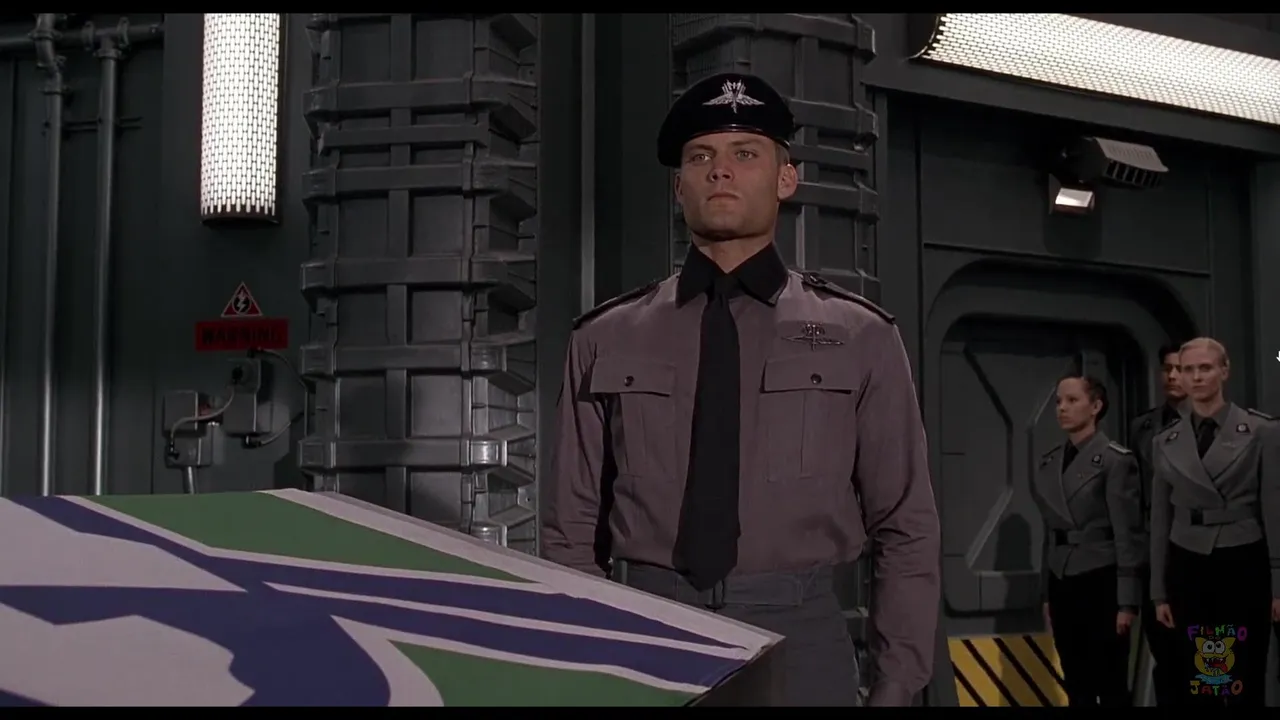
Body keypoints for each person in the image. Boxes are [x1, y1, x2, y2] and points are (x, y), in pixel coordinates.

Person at [539, 72, 941, 707]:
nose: (720, 170)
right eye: (700, 157)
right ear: (679, 187)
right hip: (647, 628)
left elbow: (906, 523)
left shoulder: (861, 336)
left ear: (786, 179)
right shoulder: (605, 337)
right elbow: (570, 527)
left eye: (745, 153)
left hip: (800, 636)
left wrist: (896, 685)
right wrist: (591, 659)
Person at [1149, 337, 1280, 707]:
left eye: (1205, 368)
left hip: (1243, 559)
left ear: (1224, 371)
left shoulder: (1261, 431)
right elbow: (1160, 519)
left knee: (1244, 677)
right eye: (1187, 369)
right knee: (1203, 679)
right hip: (1188, 562)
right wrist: (1159, 591)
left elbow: (1274, 508)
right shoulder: (1165, 442)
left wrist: (1279, 583)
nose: (1195, 377)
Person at [1033, 375, 1143, 706]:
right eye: (1058, 401)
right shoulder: (1050, 461)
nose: (1062, 408)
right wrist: (1046, 592)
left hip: (1101, 578)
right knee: (1076, 682)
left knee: (1111, 685)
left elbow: (1127, 535)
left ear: (1095, 407)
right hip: (1063, 579)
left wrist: (1127, 602)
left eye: (1072, 400)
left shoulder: (1115, 460)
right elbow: (1050, 533)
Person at [1127, 343, 1187, 706]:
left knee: (1212, 659)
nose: (1173, 376)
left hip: (1204, 552)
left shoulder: (1221, 424)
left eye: (1181, 368)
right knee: (1166, 659)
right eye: (1167, 368)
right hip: (1156, 555)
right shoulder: (1143, 427)